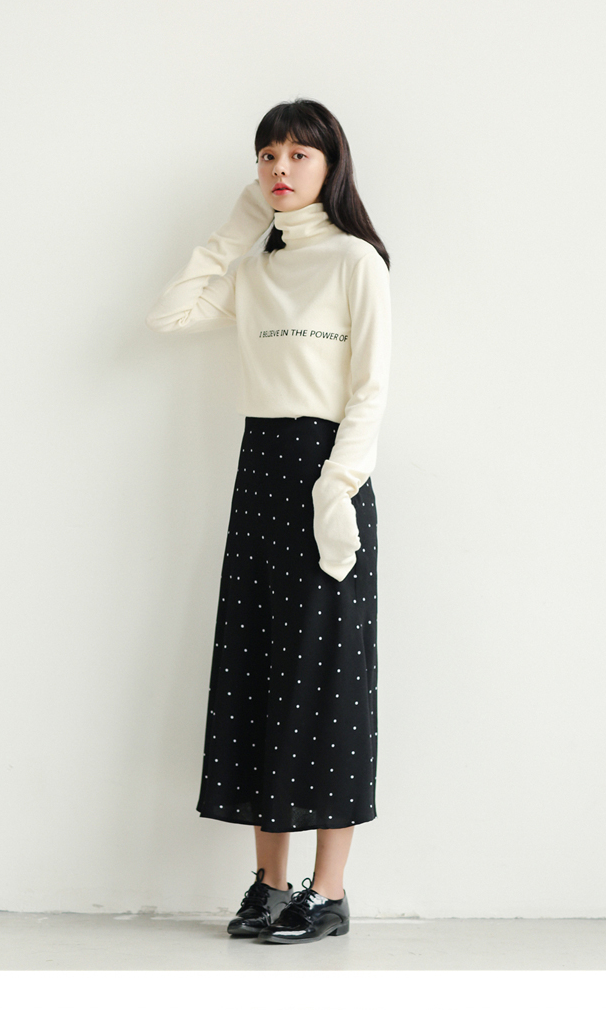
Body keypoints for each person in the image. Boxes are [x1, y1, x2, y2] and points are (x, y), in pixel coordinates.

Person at [146, 98, 392, 944]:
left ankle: (330, 892)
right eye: (267, 156)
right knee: (260, 671)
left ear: (331, 165)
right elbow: (170, 312)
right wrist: (238, 229)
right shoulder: (256, 270)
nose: (280, 169)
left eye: (298, 155)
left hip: (328, 476)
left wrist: (337, 488)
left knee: (329, 679)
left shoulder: (357, 261)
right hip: (260, 474)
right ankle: (270, 883)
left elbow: (371, 389)